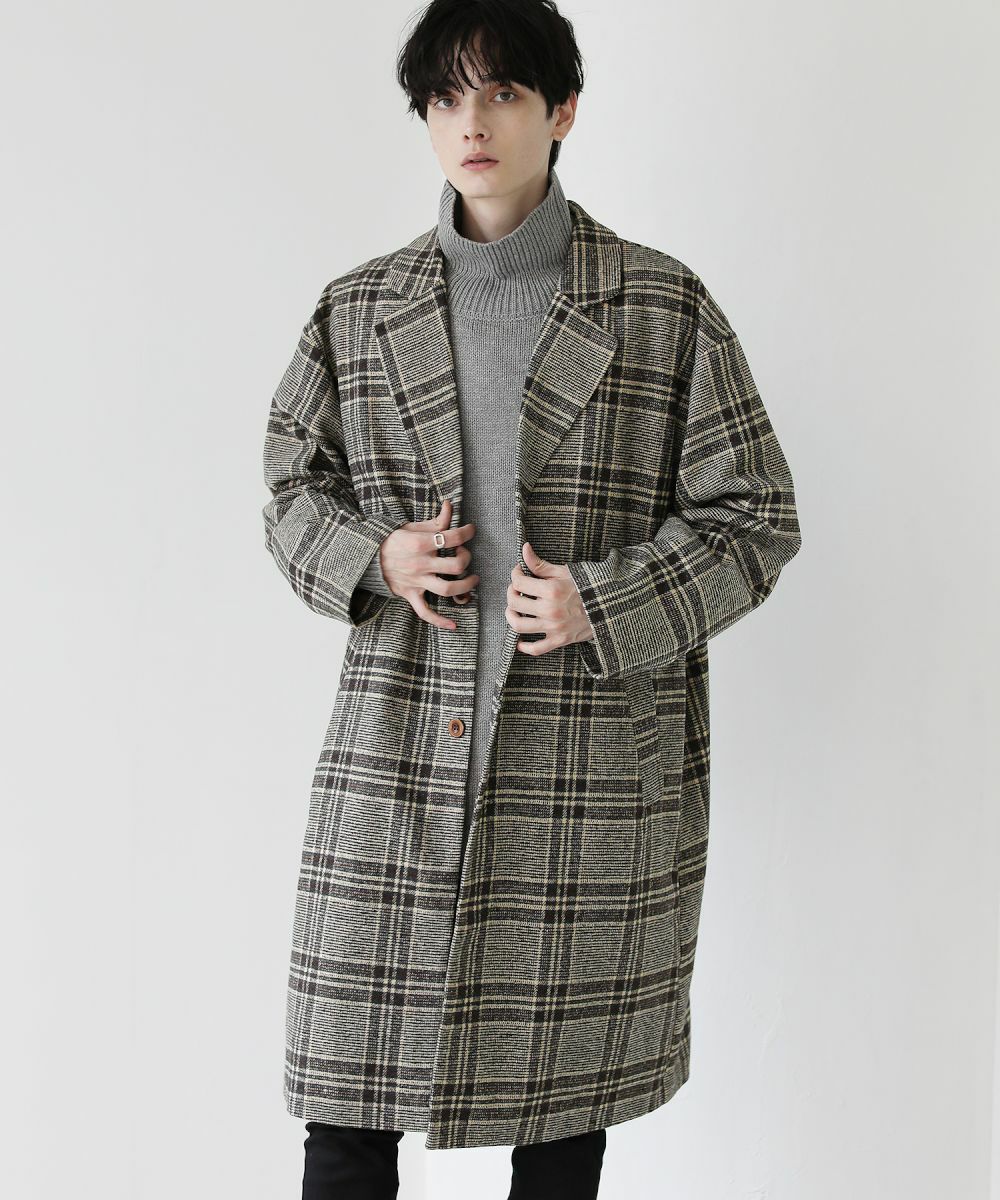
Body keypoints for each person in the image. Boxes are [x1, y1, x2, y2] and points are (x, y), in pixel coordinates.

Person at [262, 1, 802, 1196]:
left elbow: (756, 517)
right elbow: (290, 492)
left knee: (560, 1133)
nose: (473, 123)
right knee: (345, 1120)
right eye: (446, 97)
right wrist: (378, 557)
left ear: (561, 112)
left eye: (503, 93)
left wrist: (603, 602)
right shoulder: (358, 309)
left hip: (583, 772)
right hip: (396, 752)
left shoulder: (659, 306)